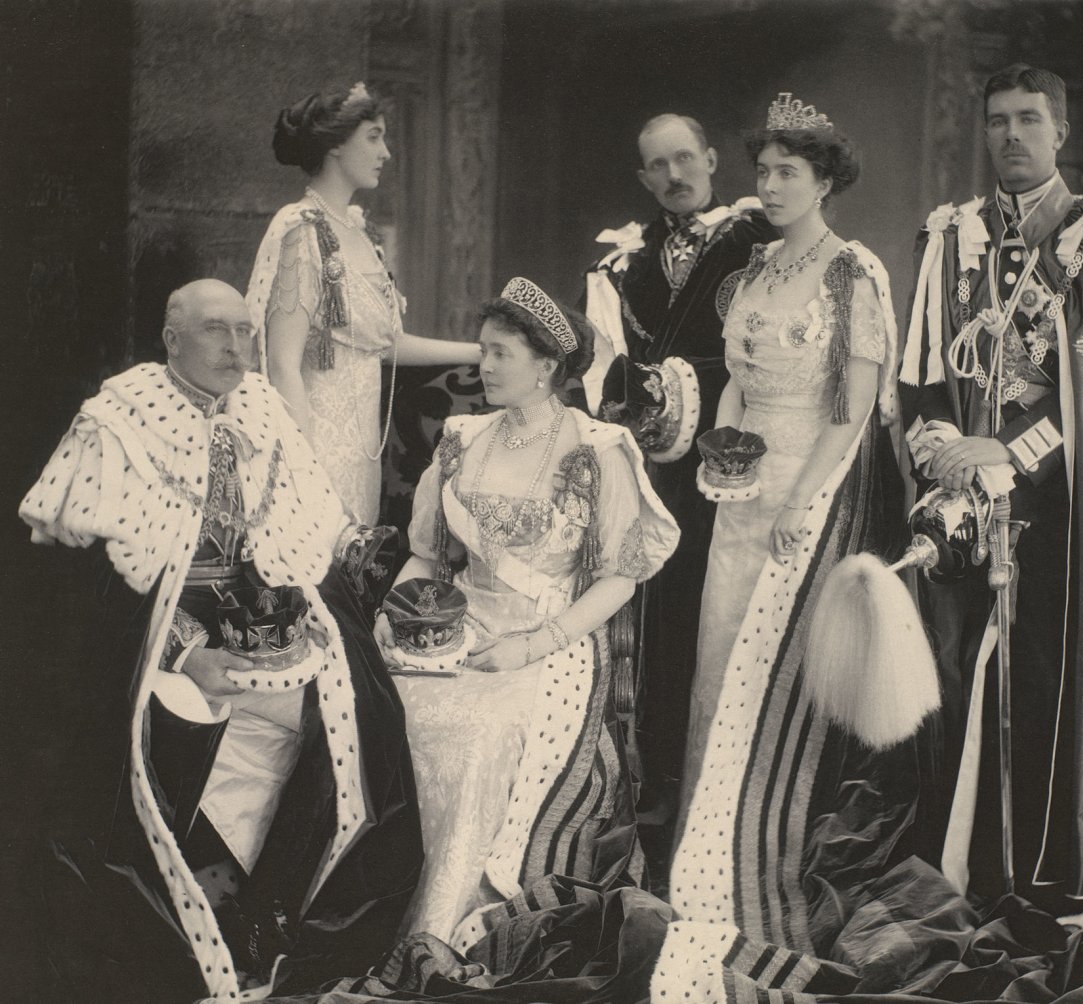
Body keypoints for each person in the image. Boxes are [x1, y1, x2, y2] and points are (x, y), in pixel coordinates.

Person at [19, 280, 423, 1001]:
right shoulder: (117, 419)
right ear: (172, 340)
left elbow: (308, 528)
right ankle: (192, 912)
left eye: (245, 331)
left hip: (255, 615)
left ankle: (274, 906)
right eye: (215, 331)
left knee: (360, 714)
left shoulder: (262, 405)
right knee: (180, 710)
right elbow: (89, 591)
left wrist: (327, 590)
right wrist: (181, 649)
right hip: (154, 633)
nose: (237, 349)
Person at [899, 64, 1083, 919]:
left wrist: (1007, 451)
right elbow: (922, 379)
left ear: (1061, 132)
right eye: (997, 121)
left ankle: (1057, 878)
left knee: (1050, 691)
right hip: (967, 514)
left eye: (1030, 119)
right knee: (964, 690)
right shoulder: (953, 241)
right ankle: (977, 874)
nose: (1012, 137)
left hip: (1072, 517)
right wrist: (943, 457)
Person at [373, 277, 679, 949]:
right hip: (455, 629)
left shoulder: (599, 450)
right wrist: (397, 614)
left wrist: (532, 645)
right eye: (483, 350)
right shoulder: (462, 437)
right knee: (383, 707)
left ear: (547, 367)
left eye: (499, 353)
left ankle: (439, 928)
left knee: (479, 734)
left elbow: (619, 581)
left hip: (550, 642)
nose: (482, 366)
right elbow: (427, 556)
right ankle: (366, 906)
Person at [677, 94, 905, 832]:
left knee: (776, 668)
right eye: (766, 171)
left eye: (789, 172)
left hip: (812, 487)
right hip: (740, 495)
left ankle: (769, 834)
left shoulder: (851, 276)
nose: (771, 187)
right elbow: (736, 386)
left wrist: (801, 502)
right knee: (719, 658)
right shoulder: (753, 271)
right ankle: (706, 831)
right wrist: (723, 457)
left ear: (825, 182)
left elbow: (852, 411)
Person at [582, 113, 775, 822]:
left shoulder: (759, 241)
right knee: (660, 622)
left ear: (713, 159)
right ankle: (660, 782)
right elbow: (600, 368)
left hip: (739, 460)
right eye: (658, 166)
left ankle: (733, 790)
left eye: (685, 158)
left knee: (724, 615)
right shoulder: (624, 264)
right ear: (643, 177)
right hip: (655, 471)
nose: (675, 176)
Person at [246, 81, 479, 525]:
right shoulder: (301, 230)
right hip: (314, 446)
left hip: (363, 452)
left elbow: (384, 343)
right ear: (335, 145)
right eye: (373, 136)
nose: (386, 152)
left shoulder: (358, 229)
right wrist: (304, 469)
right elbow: (282, 363)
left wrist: (477, 352)